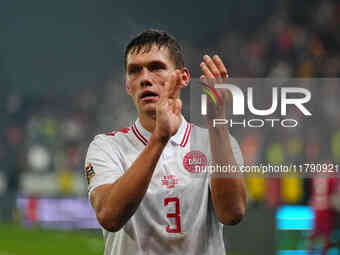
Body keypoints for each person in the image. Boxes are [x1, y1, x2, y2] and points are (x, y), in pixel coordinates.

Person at [85, 29, 247, 255]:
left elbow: (232, 214)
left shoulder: (217, 142)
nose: (144, 79)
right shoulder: (106, 147)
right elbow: (109, 217)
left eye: (156, 67)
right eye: (134, 71)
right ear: (127, 86)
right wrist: (159, 138)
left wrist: (218, 122)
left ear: (183, 78)